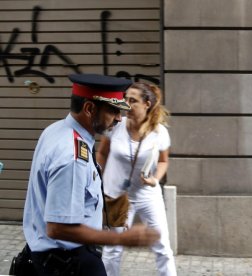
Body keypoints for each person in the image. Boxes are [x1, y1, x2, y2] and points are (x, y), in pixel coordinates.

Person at [23, 74, 160, 276]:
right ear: (89, 109)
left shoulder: (57, 130)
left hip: (52, 257)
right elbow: (58, 228)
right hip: (68, 263)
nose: (119, 118)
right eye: (113, 110)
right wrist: (121, 239)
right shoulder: (72, 156)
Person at [97, 82, 176, 276]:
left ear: (146, 104)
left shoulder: (159, 132)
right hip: (116, 196)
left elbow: (164, 161)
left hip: (147, 195)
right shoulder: (115, 126)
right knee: (112, 249)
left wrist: (155, 179)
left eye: (132, 101)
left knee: (163, 246)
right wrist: (98, 182)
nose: (126, 104)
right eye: (125, 99)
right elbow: (102, 154)